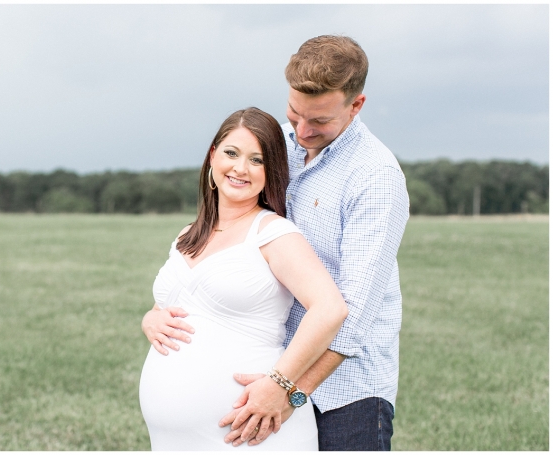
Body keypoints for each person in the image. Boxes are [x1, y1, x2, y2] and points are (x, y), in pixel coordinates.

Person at [143, 35, 410, 451]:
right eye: (294, 114)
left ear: (355, 105)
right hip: (268, 368)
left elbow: (352, 314)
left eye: (318, 121)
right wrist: (156, 316)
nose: (301, 132)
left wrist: (289, 389)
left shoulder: (375, 177)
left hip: (345, 390)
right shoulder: (278, 144)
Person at [139, 107, 349, 451]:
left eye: (257, 160)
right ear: (212, 156)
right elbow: (169, 305)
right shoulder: (187, 235)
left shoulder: (274, 234)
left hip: (252, 433)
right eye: (231, 153)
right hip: (172, 440)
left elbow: (330, 308)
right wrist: (150, 319)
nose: (240, 168)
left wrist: (281, 384)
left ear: (272, 171)